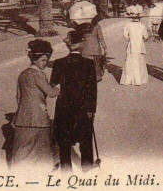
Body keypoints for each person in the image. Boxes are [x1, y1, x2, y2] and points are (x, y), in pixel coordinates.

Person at [50, 30, 98, 172]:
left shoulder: (59, 63)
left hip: (64, 105)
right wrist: (91, 109)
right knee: (85, 137)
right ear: (81, 44)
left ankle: (66, 168)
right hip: (83, 106)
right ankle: (87, 166)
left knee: (64, 138)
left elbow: (53, 83)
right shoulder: (89, 63)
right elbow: (92, 89)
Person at [11, 40, 59, 170]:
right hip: (38, 116)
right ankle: (46, 169)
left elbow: (18, 97)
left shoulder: (22, 74)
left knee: (22, 148)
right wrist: (59, 87)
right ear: (36, 59)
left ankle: (17, 171)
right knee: (42, 146)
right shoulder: (38, 74)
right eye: (43, 60)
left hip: (22, 117)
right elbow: (51, 93)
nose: (45, 63)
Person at [120, 6, 149, 86]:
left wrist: (130, 39)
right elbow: (146, 37)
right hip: (139, 46)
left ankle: (128, 80)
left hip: (131, 46)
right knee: (138, 62)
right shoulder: (142, 26)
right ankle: (138, 80)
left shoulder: (128, 25)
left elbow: (125, 36)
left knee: (130, 62)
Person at [81, 15, 108, 82]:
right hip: (96, 49)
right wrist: (105, 48)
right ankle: (97, 77)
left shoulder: (82, 26)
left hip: (85, 49)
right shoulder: (97, 26)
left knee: (86, 64)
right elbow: (101, 38)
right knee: (96, 64)